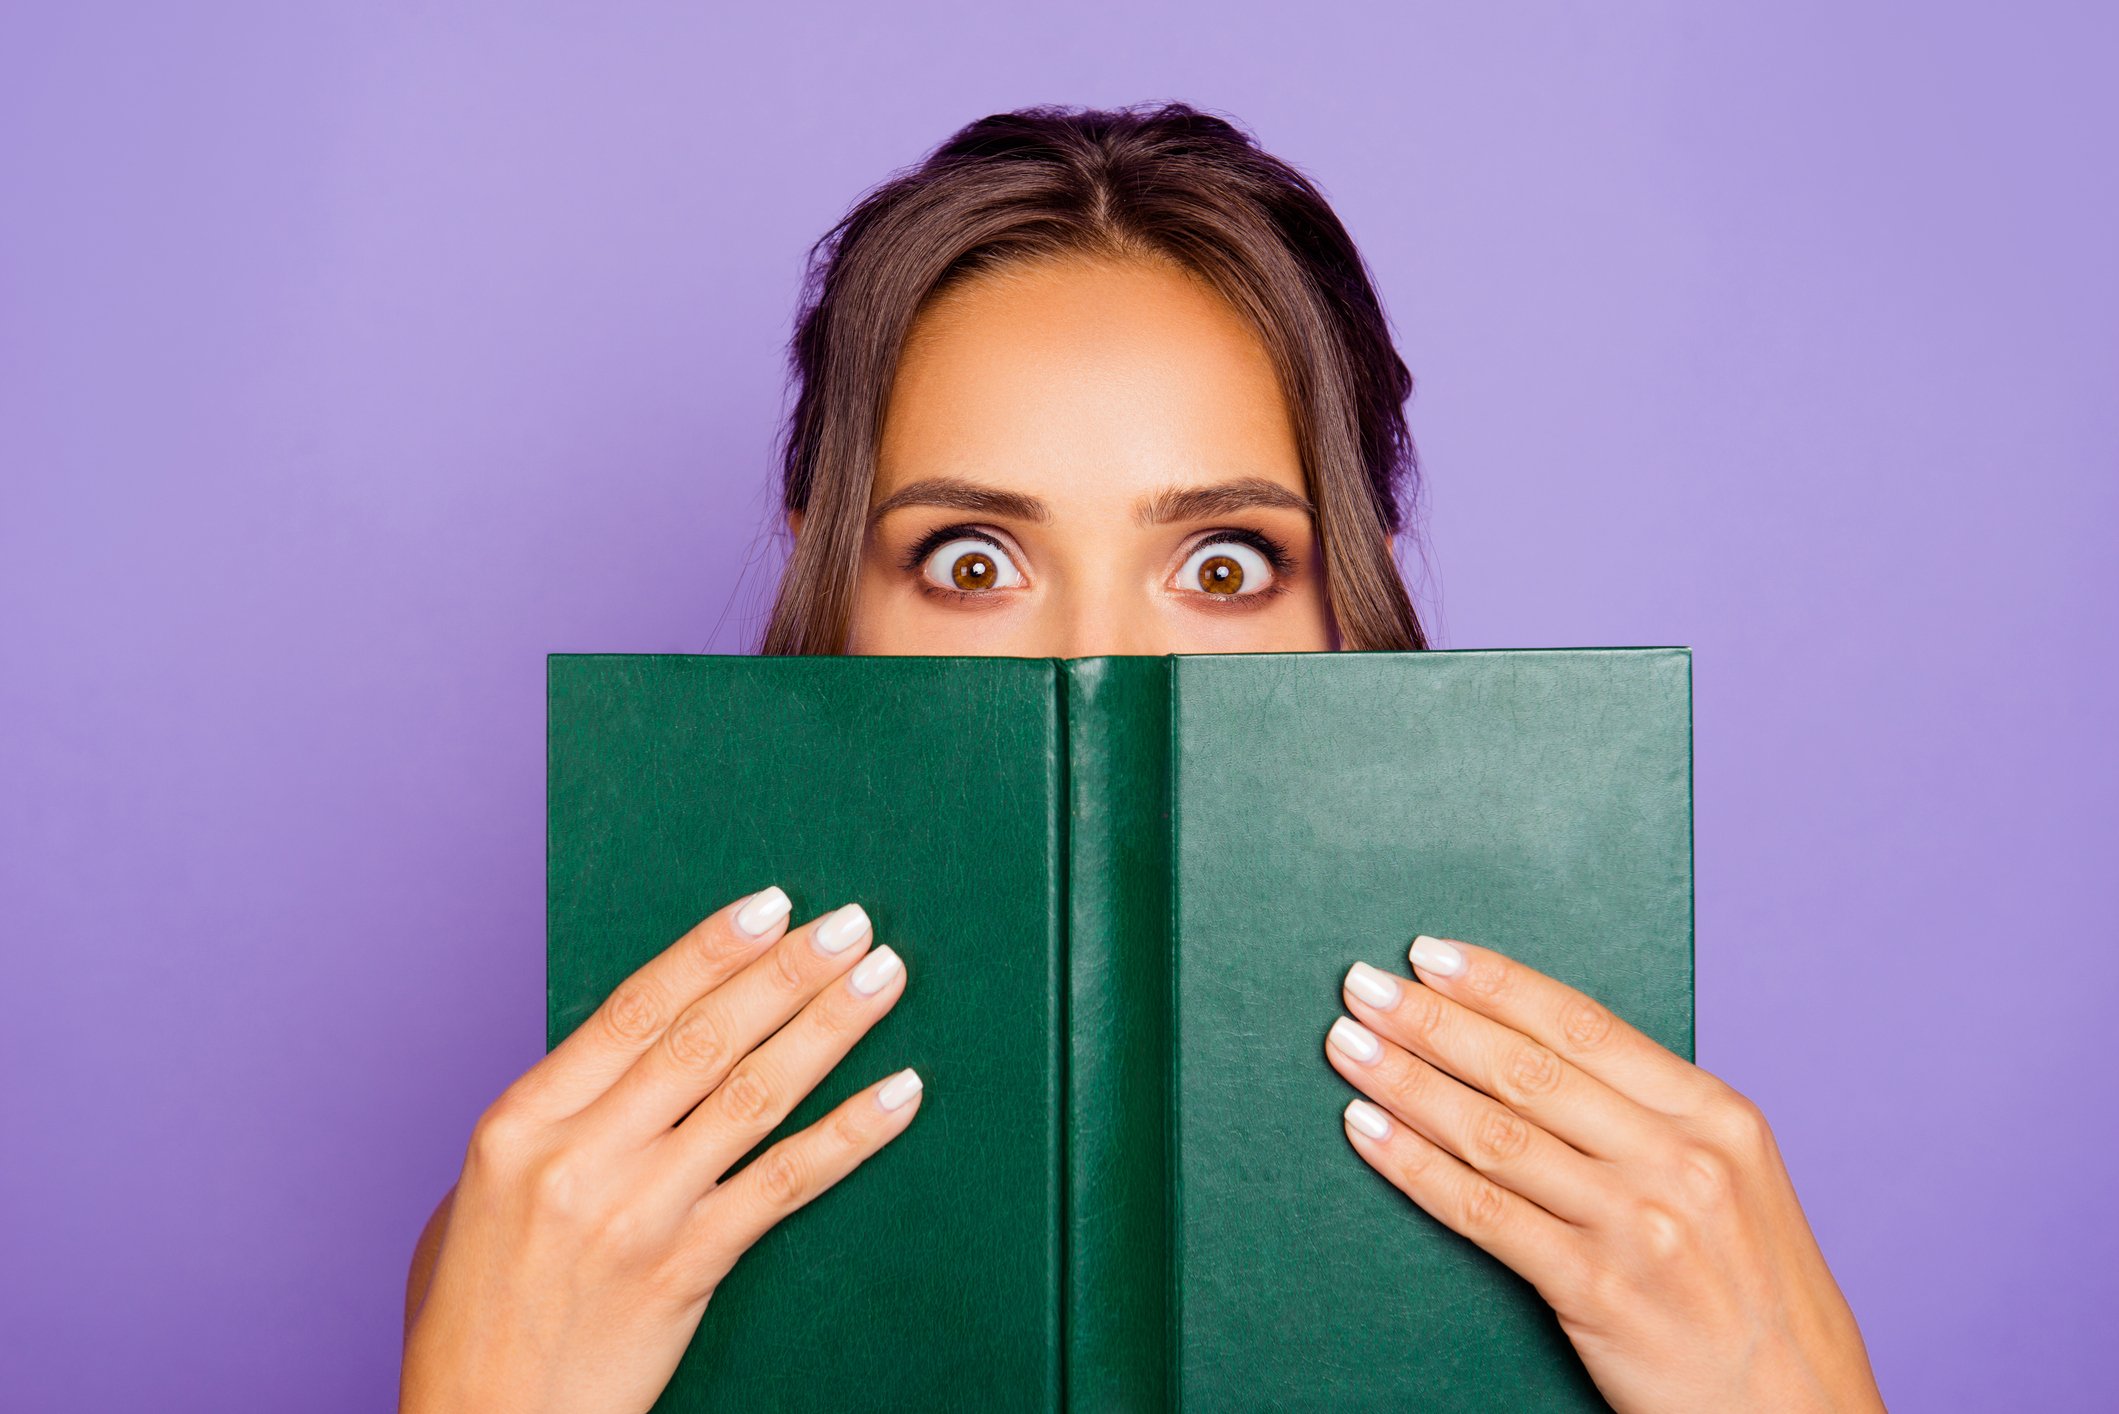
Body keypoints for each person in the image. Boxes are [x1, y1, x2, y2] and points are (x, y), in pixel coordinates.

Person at [398, 103, 1886, 1413]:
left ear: (1354, 598)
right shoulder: (550, 1237)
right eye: (971, 559)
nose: (1095, 662)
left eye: (1225, 566)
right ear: (828, 575)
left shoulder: (1666, 1231)